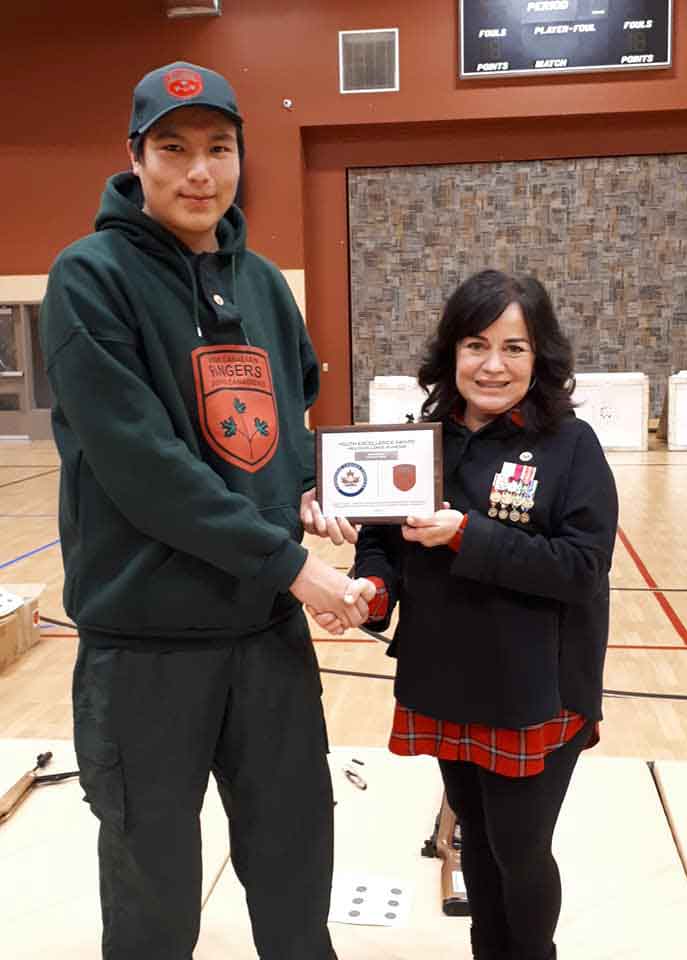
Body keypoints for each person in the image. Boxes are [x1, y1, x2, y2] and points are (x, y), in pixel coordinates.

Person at [40, 61, 373, 960]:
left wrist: (312, 487)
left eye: (218, 148)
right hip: (147, 647)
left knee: (296, 867)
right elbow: (144, 468)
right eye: (174, 149)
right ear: (135, 157)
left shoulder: (262, 281)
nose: (199, 172)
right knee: (154, 896)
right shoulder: (88, 277)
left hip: (263, 639)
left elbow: (284, 417)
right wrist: (295, 566)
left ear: (240, 155)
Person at [352, 270, 618, 960]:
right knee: (474, 837)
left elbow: (582, 568)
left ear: (542, 358)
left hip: (537, 693)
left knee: (520, 850)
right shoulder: (421, 440)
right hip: (446, 680)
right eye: (476, 344)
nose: (493, 364)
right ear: (451, 353)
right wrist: (372, 592)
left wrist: (470, 536)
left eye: (515, 347)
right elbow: (382, 543)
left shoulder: (572, 446)